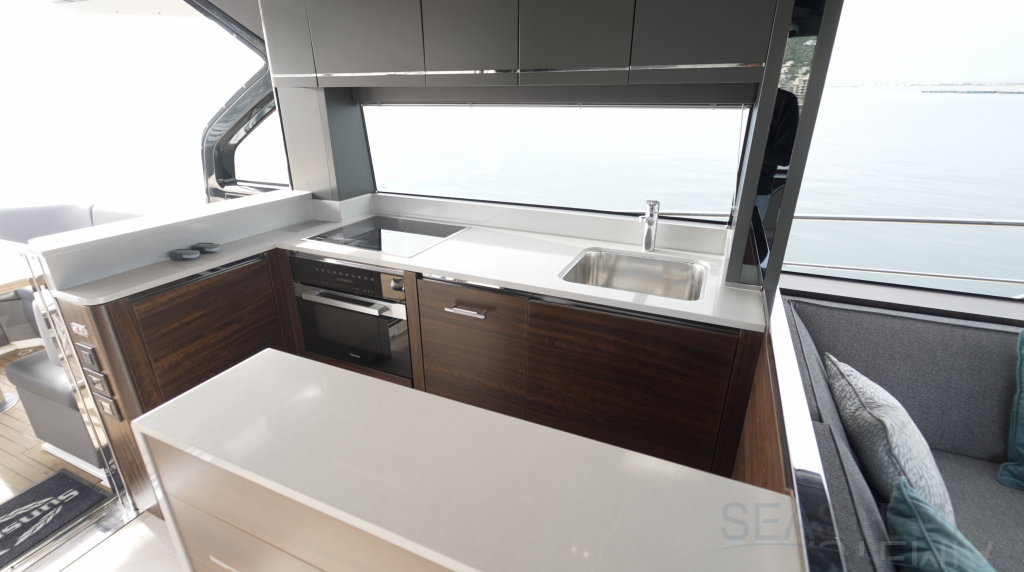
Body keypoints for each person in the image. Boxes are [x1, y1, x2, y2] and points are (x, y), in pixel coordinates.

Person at [755, 89, 800, 219]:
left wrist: (747, 151)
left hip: (756, 189)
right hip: (719, 184)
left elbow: (783, 156)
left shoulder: (783, 100)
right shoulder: (728, 94)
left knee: (747, 232)